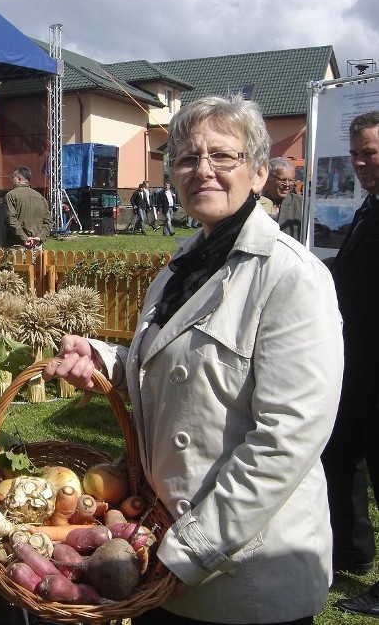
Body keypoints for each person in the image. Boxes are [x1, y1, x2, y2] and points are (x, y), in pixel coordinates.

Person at [43, 94, 344, 625]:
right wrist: (107, 359)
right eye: (186, 158)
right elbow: (179, 364)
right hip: (160, 543)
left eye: (222, 156)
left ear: (257, 173)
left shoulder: (290, 276)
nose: (203, 169)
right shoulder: (178, 270)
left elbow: (288, 437)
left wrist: (192, 551)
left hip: (242, 570)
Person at [322, 110, 379, 617]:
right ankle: (351, 552)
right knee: (339, 457)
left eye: (371, 153)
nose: (360, 162)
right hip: (353, 365)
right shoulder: (369, 207)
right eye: (357, 153)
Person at [2, 166, 52, 248]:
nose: (12, 180)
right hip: (36, 245)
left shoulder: (11, 195)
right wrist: (39, 237)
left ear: (19, 179)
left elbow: (11, 220)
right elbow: (48, 222)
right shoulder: (40, 197)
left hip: (16, 245)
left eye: (13, 177)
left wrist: (25, 238)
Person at [262, 157, 303, 240]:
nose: (287, 184)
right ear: (269, 178)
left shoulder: (301, 204)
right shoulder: (256, 202)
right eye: (283, 180)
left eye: (291, 180)